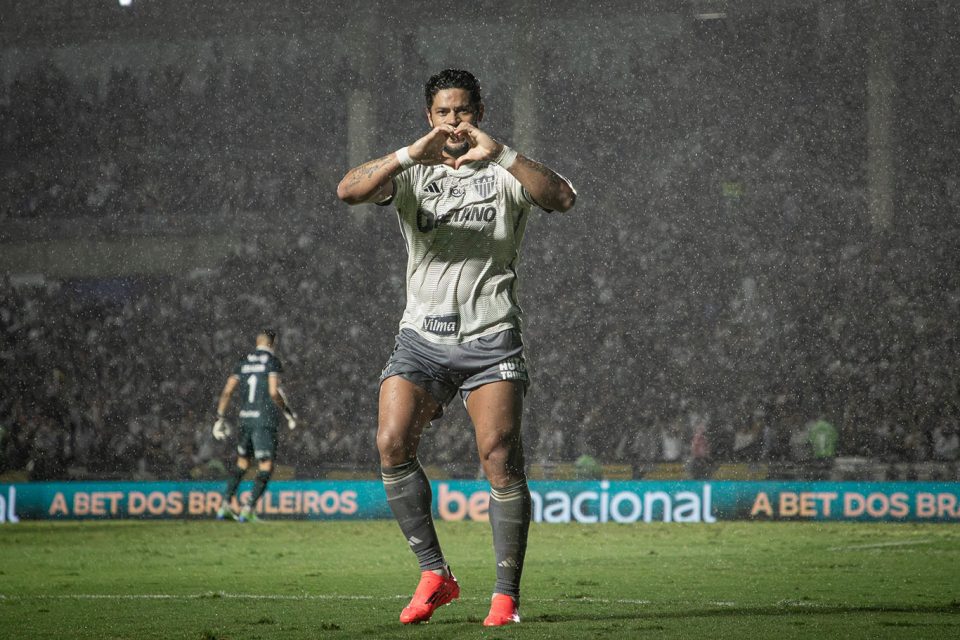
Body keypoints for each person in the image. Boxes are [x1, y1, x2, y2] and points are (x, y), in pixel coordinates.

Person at [336, 68, 576, 627]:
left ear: (479, 112)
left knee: (499, 458)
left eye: (463, 111)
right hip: (421, 339)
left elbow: (562, 198)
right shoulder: (413, 172)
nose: (454, 122)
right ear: (429, 117)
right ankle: (435, 573)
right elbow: (347, 190)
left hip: (491, 340)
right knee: (391, 441)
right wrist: (404, 154)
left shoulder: (505, 170)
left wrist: (505, 153)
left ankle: (505, 596)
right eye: (443, 112)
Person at [212, 329, 297, 522]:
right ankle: (248, 508)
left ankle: (225, 505)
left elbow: (227, 392)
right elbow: (274, 392)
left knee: (242, 463)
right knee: (265, 464)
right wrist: (288, 413)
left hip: (245, 419)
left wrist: (220, 418)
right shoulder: (272, 362)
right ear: (273, 344)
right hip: (264, 419)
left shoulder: (243, 362)